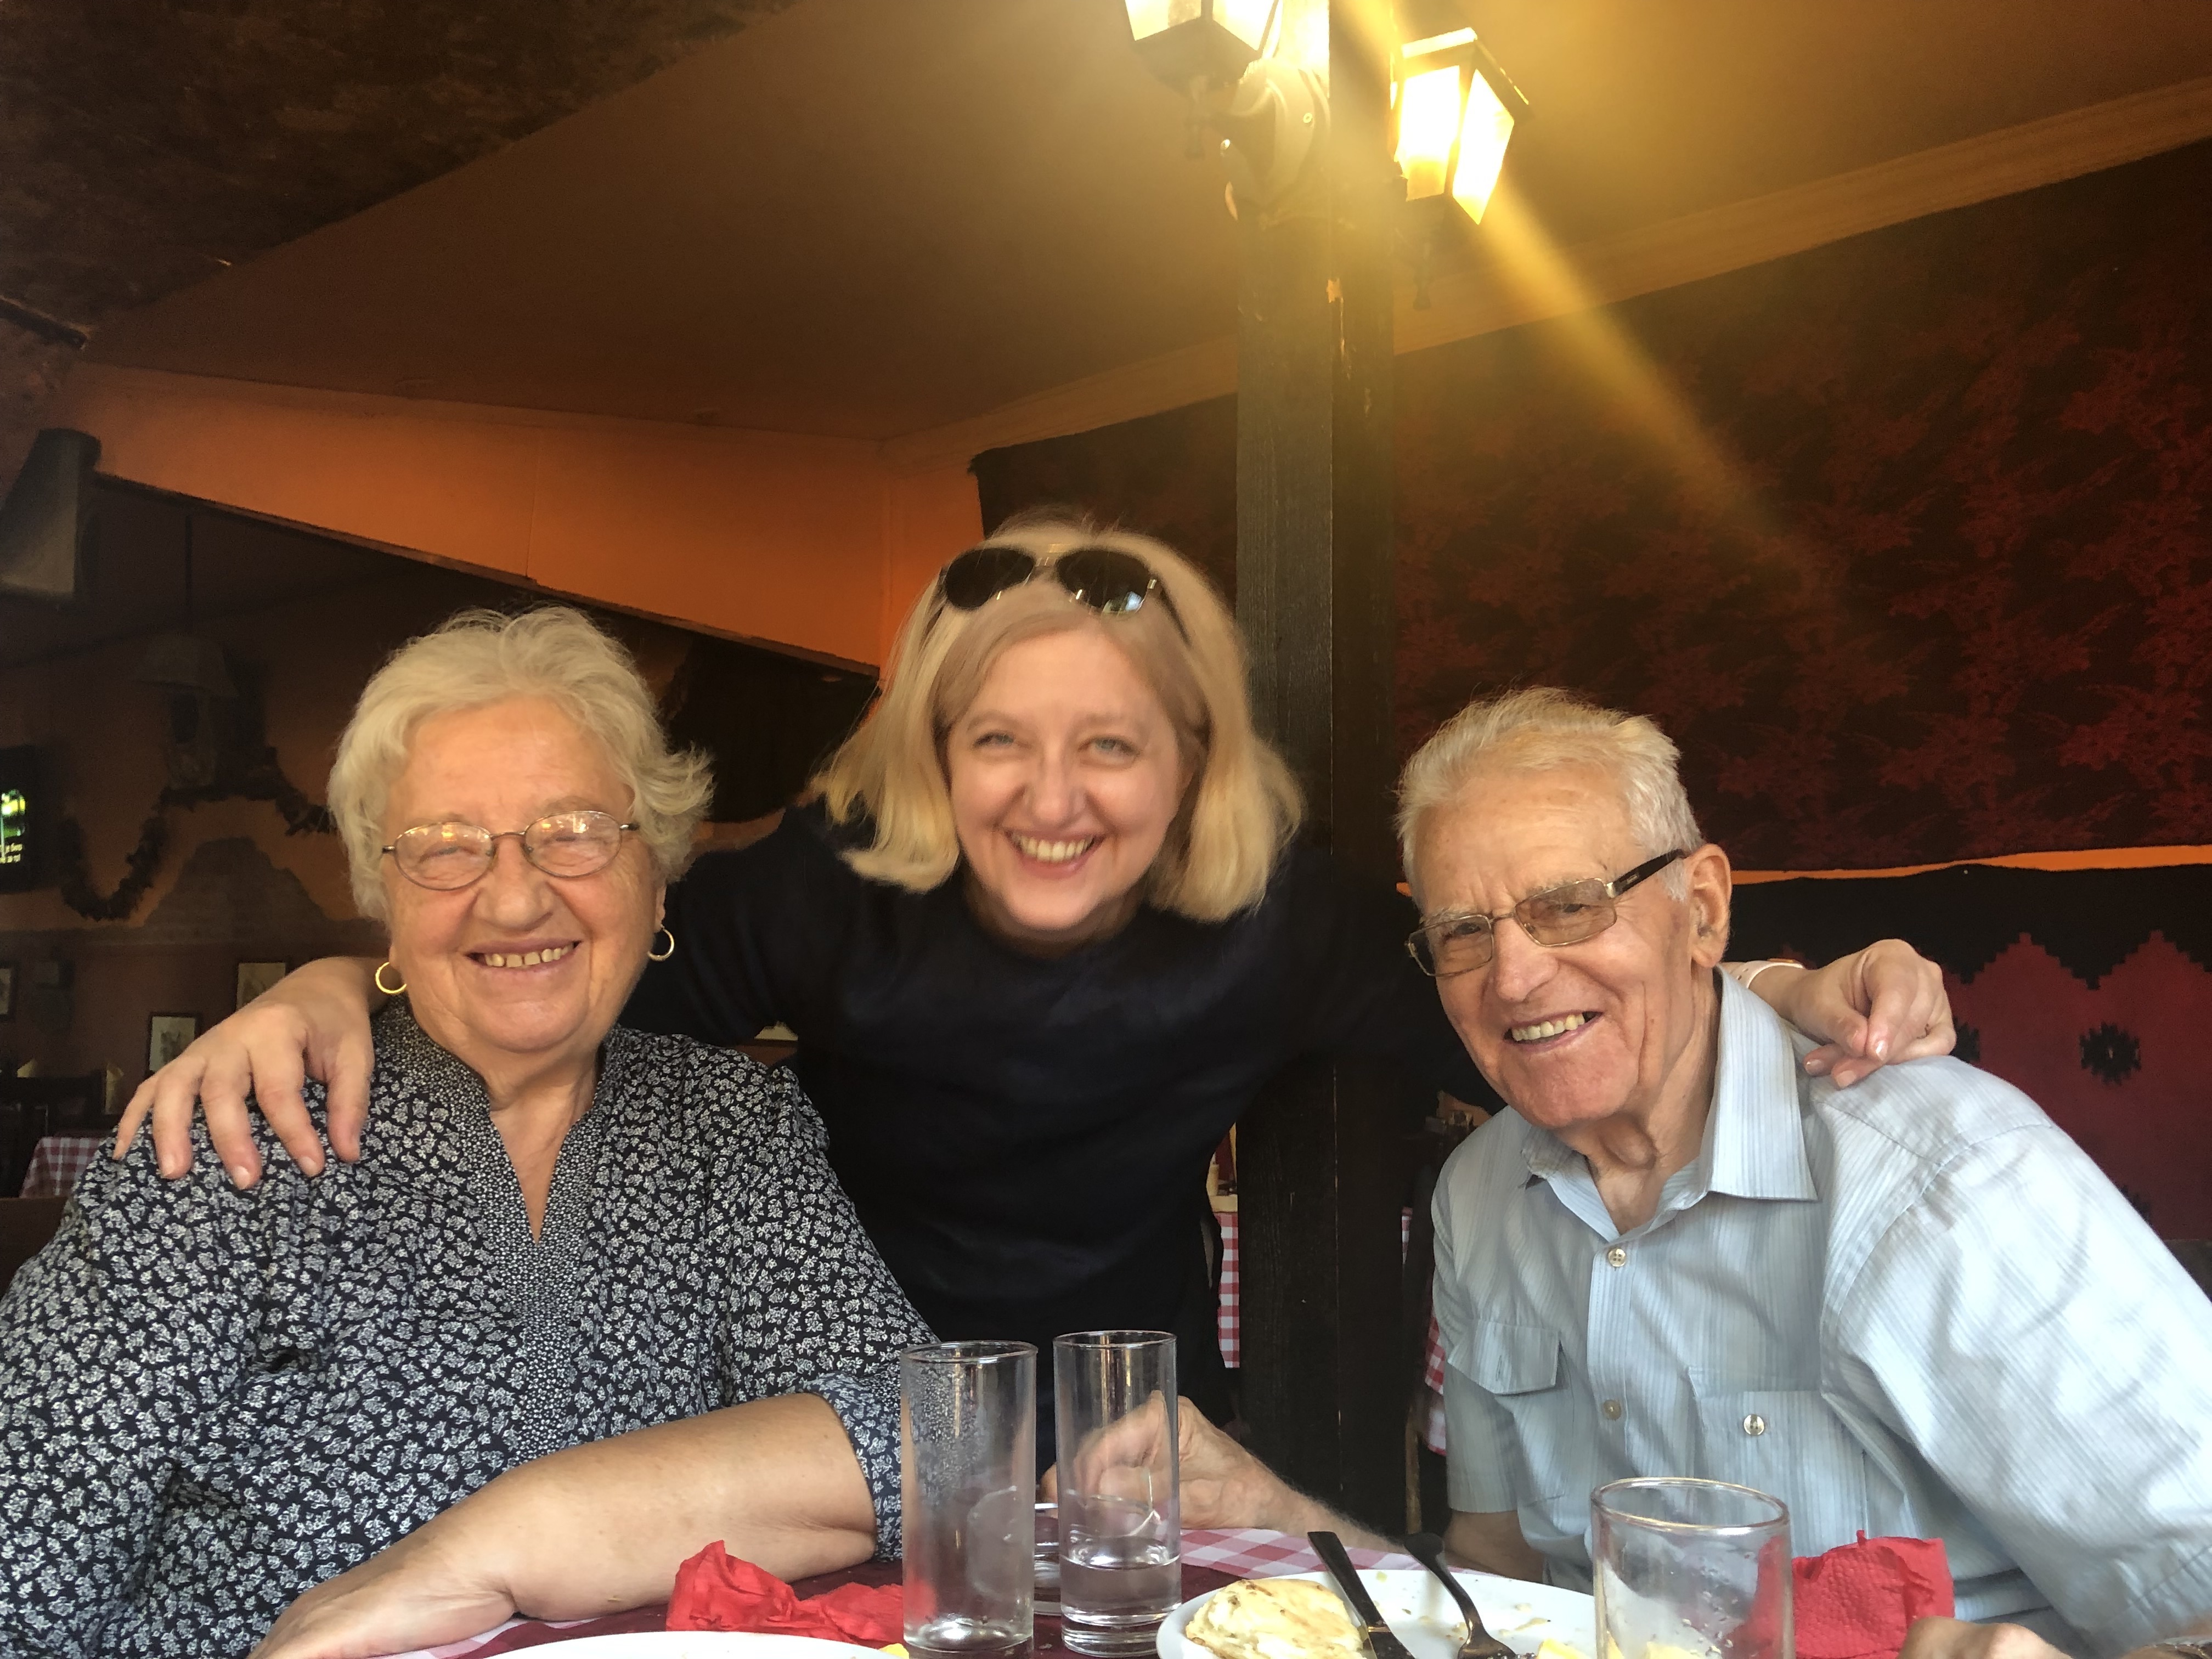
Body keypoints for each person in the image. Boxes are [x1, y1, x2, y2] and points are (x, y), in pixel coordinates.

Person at [123, 517, 1954, 1446]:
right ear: (933, 752)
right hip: (827, 1418)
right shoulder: (827, 891)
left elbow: (1528, 1005)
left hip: (1136, 1428)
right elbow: (541, 977)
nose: (1053, 798)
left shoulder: (1284, 922)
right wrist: (328, 982)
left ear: (1190, 758)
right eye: (998, 739)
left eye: (1111, 747)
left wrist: (1776, 978)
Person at [1153, 686, 2212, 1659]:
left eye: (1570, 905)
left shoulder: (1943, 1179)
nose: (1516, 976)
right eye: (1463, 934)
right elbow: (1502, 1586)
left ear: (1702, 910)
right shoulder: (1480, 1197)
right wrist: (1272, 1515)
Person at [0, 609, 933, 1657]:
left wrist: (498, 1542)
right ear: (381, 895)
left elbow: (935, 1440)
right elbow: (20, 1588)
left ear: (657, 873)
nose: (519, 895)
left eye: (576, 830)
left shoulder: (728, 1127)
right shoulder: (214, 1153)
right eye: (444, 848)